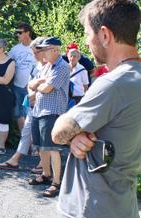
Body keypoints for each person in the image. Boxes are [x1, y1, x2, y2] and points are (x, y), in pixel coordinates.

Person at [51, 1, 141, 217]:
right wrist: (78, 136)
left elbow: (58, 132)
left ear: (104, 35)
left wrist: (73, 133)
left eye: (87, 33)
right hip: (124, 206)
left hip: (90, 206)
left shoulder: (112, 84)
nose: (86, 41)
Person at [27, 37, 70, 198]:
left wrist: (40, 84)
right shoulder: (47, 66)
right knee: (41, 147)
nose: (42, 53)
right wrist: (40, 82)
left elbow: (47, 88)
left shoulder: (62, 67)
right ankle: (45, 175)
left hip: (51, 112)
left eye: (45, 50)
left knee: (52, 149)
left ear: (55, 50)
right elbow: (31, 85)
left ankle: (56, 182)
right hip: (38, 111)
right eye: (41, 50)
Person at [0, 36, 48, 170]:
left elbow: (47, 86)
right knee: (26, 131)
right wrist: (31, 92)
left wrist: (34, 90)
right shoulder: (36, 65)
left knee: (42, 134)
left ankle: (43, 164)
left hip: (45, 107)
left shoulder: (50, 67)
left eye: (35, 52)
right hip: (33, 105)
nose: (34, 55)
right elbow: (30, 83)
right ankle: (15, 160)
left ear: (42, 51)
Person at [8, 23, 37, 131]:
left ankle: (34, 143)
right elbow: (7, 64)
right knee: (19, 114)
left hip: (32, 88)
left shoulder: (36, 47)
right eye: (17, 33)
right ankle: (24, 142)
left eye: (20, 32)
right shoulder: (15, 49)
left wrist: (32, 84)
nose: (17, 35)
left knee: (32, 114)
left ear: (28, 33)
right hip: (17, 86)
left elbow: (42, 67)